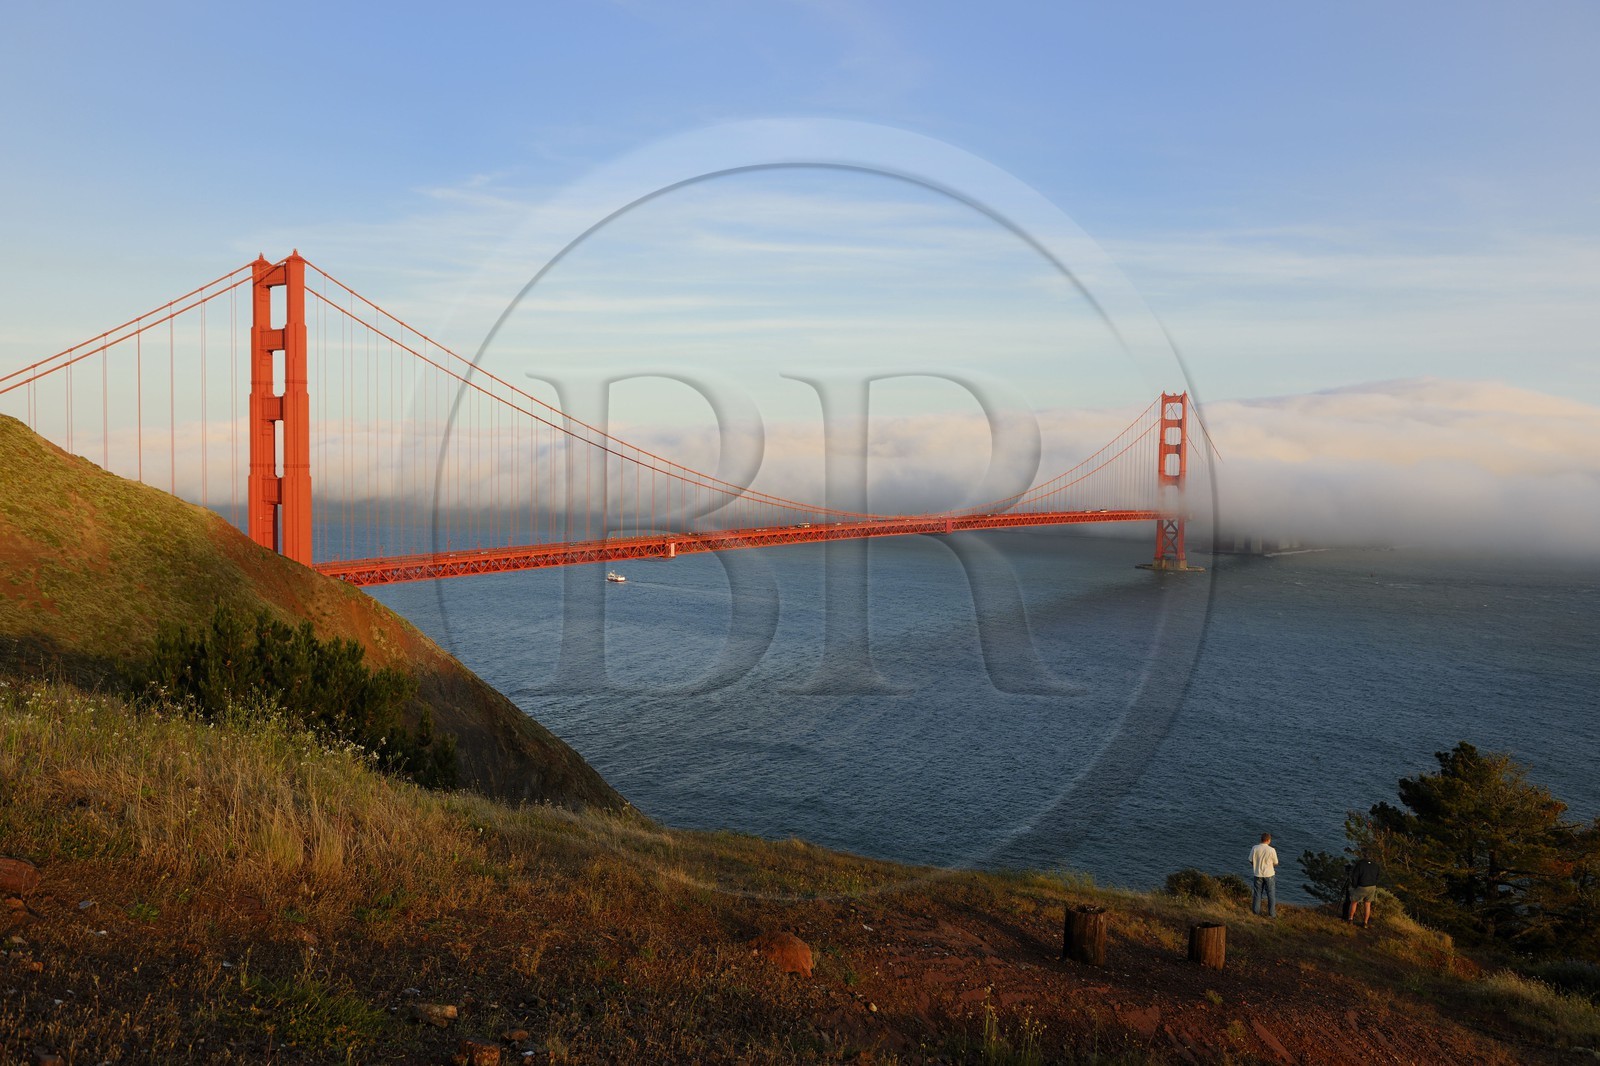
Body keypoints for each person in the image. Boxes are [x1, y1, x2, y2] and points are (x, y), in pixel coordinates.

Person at [1348, 853, 1382, 928]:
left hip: (1362, 886)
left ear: (1363, 857)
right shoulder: (1376, 865)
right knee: (1367, 904)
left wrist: (1354, 886)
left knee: (1354, 902)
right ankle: (1365, 923)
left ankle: (1350, 919)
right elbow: (1378, 876)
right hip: (1372, 887)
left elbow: (1355, 877)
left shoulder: (1360, 864)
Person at [1249, 832, 1279, 918]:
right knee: (1271, 894)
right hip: (1269, 874)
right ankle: (1272, 914)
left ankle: (1256, 912)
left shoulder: (1255, 848)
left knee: (1257, 894)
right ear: (1269, 840)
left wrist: (1256, 865)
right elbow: (1276, 863)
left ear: (1261, 839)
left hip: (1258, 874)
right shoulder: (1272, 850)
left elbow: (1250, 860)